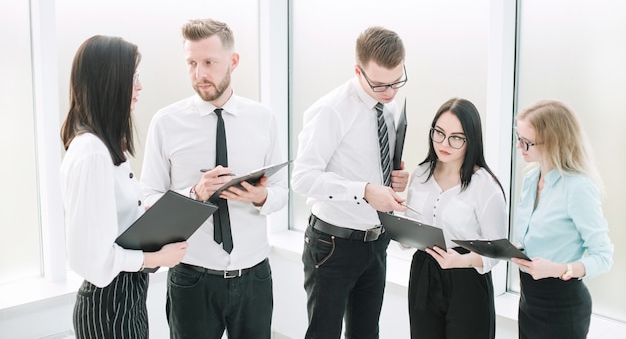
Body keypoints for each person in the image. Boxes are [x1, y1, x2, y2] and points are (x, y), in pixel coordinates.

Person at [140, 18, 288, 339]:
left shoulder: (263, 118)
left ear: (233, 62)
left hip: (254, 277)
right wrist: (193, 193)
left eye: (209, 62)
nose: (199, 74)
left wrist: (259, 197)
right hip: (192, 277)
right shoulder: (166, 122)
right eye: (191, 63)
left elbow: (281, 192)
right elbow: (147, 198)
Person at [60, 35, 188, 339]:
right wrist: (159, 258)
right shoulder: (92, 152)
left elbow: (114, 226)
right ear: (109, 81)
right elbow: (93, 259)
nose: (140, 86)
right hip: (108, 305)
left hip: (125, 299)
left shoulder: (104, 147)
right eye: (132, 76)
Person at [291, 26, 410, 339]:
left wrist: (393, 177)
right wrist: (365, 191)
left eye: (397, 81)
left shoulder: (390, 106)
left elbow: (374, 161)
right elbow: (302, 179)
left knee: (366, 333)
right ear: (358, 71)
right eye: (380, 84)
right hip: (332, 245)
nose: (390, 92)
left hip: (376, 240)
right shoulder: (330, 111)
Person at [404, 98, 507, 339]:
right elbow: (408, 230)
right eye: (439, 133)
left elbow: (498, 250)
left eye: (456, 137)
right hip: (423, 273)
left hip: (466, 278)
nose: (444, 143)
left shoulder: (485, 186)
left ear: (471, 140)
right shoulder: (420, 174)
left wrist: (459, 262)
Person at [511, 99, 613, 339]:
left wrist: (558, 269)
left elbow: (603, 257)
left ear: (553, 143)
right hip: (529, 301)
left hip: (562, 307)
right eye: (518, 138)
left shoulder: (578, 187)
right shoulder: (531, 178)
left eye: (526, 142)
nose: (519, 147)